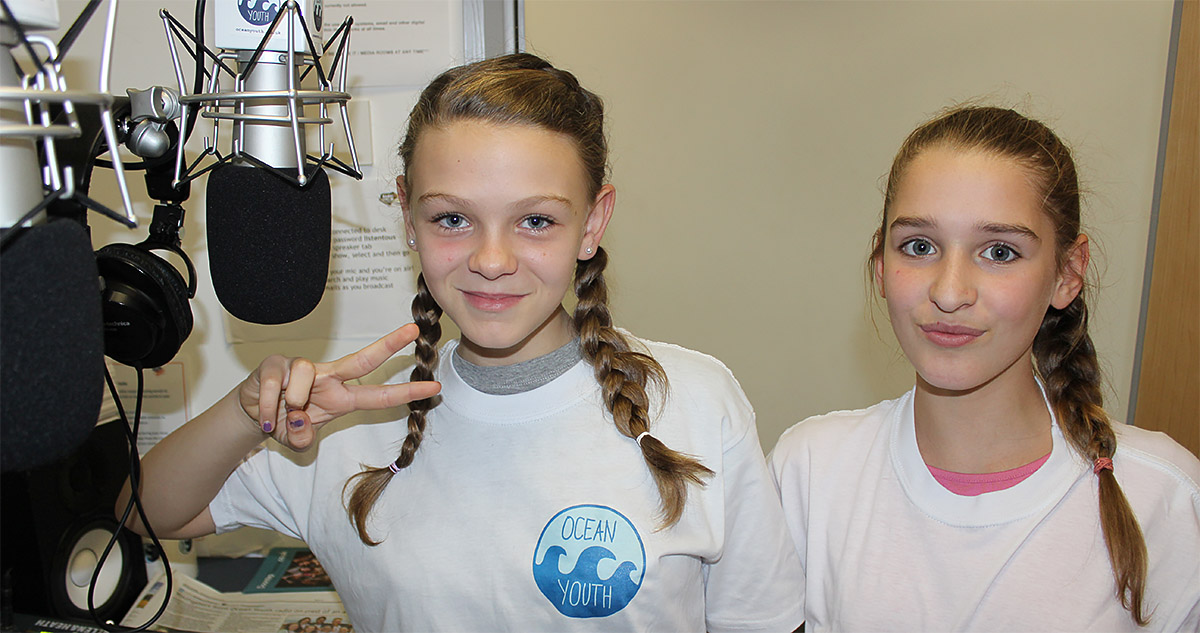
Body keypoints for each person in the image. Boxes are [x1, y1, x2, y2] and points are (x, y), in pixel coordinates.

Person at [117, 53, 803, 632]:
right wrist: (246, 410)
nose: (493, 258)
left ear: (592, 223)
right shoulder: (352, 419)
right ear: (408, 217)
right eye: (452, 218)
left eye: (535, 219)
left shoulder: (695, 400)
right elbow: (141, 509)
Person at [769, 105, 1200, 631]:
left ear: (1067, 273)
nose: (950, 293)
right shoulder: (810, 471)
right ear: (882, 265)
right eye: (920, 246)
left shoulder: (1165, 495)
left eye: (999, 252)